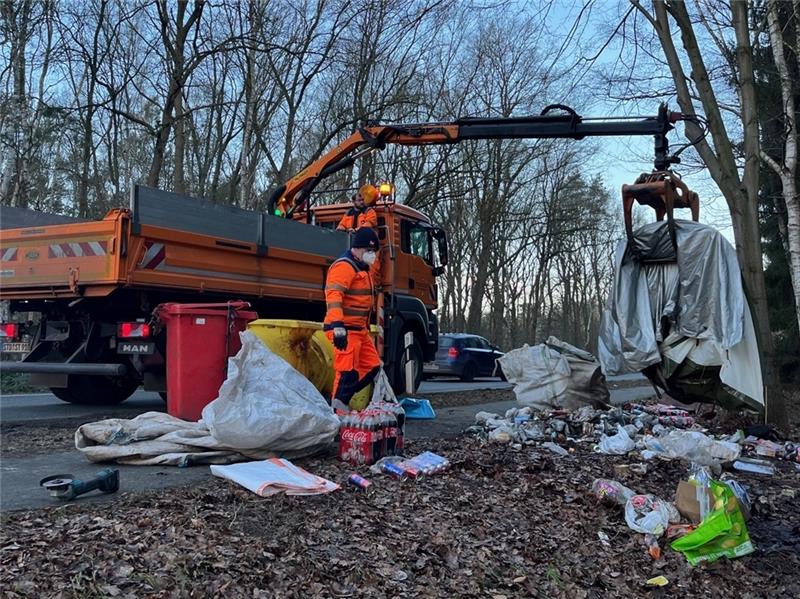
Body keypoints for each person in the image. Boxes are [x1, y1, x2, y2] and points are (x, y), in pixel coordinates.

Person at [324, 227, 381, 411]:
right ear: (357, 249)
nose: (372, 255)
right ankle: (337, 415)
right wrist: (338, 325)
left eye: (374, 251)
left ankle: (341, 402)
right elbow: (334, 296)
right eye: (369, 251)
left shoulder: (362, 268)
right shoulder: (345, 267)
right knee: (346, 373)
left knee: (372, 367)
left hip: (359, 330)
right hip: (345, 330)